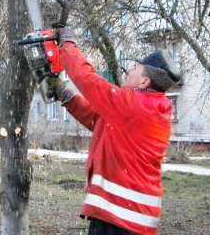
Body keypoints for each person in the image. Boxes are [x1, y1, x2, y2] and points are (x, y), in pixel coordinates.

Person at [50, 28, 182, 235]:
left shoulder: (134, 105)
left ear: (144, 82)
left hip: (122, 220)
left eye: (136, 68)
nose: (129, 70)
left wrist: (67, 45)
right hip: (126, 216)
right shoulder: (146, 108)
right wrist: (67, 97)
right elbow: (100, 121)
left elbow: (87, 79)